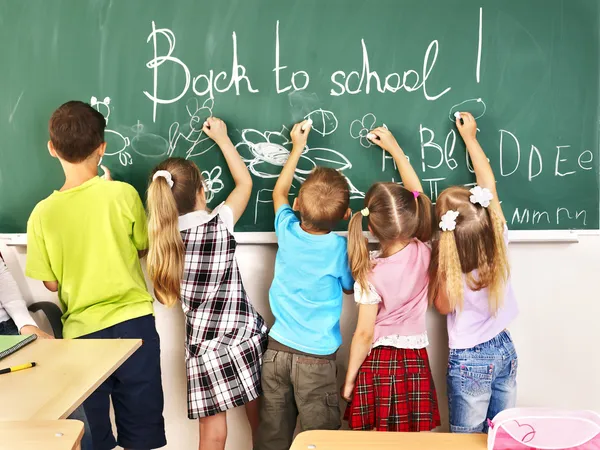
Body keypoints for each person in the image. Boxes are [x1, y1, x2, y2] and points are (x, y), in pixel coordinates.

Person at [25, 100, 166, 450]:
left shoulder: (42, 214)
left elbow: (51, 283)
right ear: (102, 147)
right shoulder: (122, 194)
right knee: (142, 431)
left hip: (82, 336)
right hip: (135, 326)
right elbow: (142, 247)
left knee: (90, 437)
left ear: (51, 148)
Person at [146, 117, 267, 450]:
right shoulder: (220, 224)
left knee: (212, 435)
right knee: (262, 424)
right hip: (244, 338)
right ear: (203, 190)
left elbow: (167, 296)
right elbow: (245, 184)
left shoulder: (162, 244)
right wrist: (224, 140)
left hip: (203, 350)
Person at [255, 120, 354, 450]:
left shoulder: (287, 229)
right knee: (319, 441)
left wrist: (296, 147)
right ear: (344, 215)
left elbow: (278, 192)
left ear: (297, 206)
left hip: (276, 352)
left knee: (272, 438)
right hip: (317, 360)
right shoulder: (339, 248)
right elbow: (350, 287)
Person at [342, 126, 440, 432]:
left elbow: (363, 335)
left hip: (378, 365)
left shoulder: (369, 272)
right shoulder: (425, 250)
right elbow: (419, 197)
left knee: (377, 439)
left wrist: (348, 381)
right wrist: (396, 150)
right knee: (409, 439)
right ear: (413, 218)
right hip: (416, 363)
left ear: (371, 228)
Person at [430, 112, 519, 433]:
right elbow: (488, 184)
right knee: (503, 434)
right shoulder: (499, 238)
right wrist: (470, 138)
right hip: (504, 347)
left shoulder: (452, 269)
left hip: (470, 362)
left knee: (465, 441)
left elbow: (442, 307)